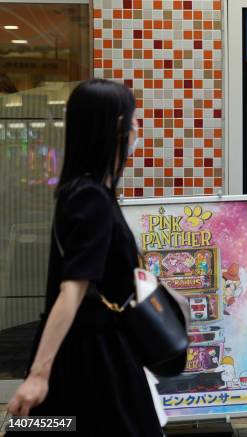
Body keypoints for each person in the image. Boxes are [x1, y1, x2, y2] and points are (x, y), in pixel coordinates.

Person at [6, 79, 163, 436]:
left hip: (88, 355)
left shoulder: (90, 193)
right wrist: (38, 375)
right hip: (93, 362)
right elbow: (72, 290)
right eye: (133, 120)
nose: (138, 129)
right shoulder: (89, 198)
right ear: (115, 128)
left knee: (55, 427)